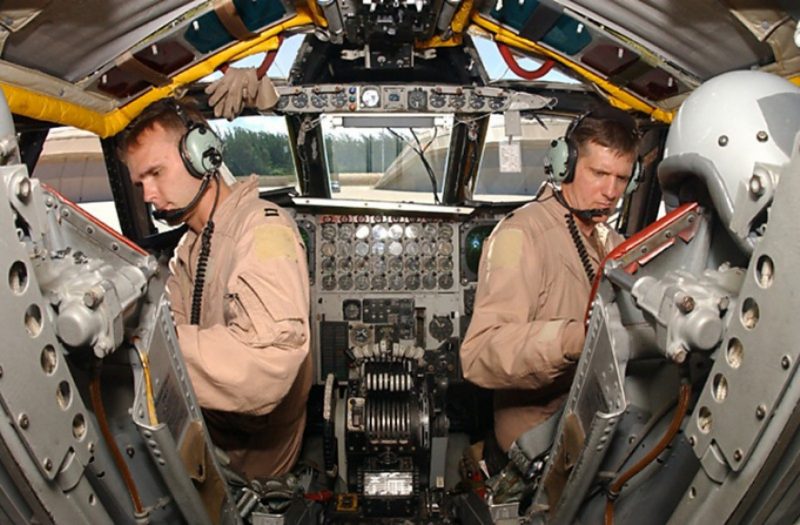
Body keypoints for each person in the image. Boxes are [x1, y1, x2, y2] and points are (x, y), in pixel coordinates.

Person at [119, 98, 312, 480]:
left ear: (201, 155)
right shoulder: (191, 246)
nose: (147, 196)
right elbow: (171, 318)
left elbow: (267, 364)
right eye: (140, 183)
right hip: (211, 438)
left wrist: (148, 347)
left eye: (156, 173)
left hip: (252, 460)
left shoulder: (263, 229)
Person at [459, 106, 641, 472]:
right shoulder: (519, 235)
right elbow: (479, 355)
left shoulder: (613, 241)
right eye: (599, 173)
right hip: (541, 437)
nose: (611, 192)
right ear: (565, 166)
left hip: (597, 424)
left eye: (621, 178)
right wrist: (577, 339)